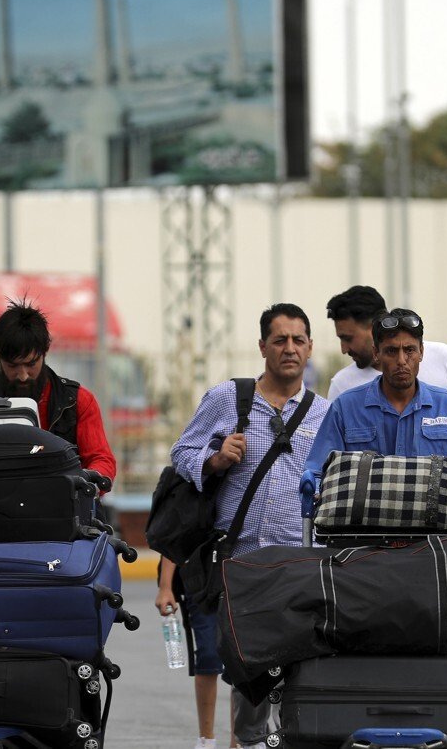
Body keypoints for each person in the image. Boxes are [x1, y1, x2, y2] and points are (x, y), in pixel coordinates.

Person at [156, 303, 329, 749]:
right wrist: (214, 459)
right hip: (238, 560)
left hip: (295, 559)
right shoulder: (227, 399)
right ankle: (246, 743)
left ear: (310, 348)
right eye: (279, 340)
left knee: (296, 664)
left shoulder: (324, 414)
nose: (289, 349)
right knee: (247, 666)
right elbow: (182, 453)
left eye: (298, 340)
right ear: (262, 347)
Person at [303, 308, 447, 493]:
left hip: (435, 522)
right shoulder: (345, 408)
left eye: (409, 350)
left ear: (421, 352)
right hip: (363, 522)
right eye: (391, 351)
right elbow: (318, 474)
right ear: (376, 353)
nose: (401, 360)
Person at [324, 286, 447, 450]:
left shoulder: (443, 358)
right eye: (391, 351)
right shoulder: (343, 388)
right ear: (376, 351)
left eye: (348, 338)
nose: (344, 349)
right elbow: (329, 455)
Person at [0, 300, 117, 483]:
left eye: (31, 364)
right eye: (12, 366)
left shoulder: (78, 401)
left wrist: (84, 483)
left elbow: (101, 460)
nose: (23, 375)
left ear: (45, 353)